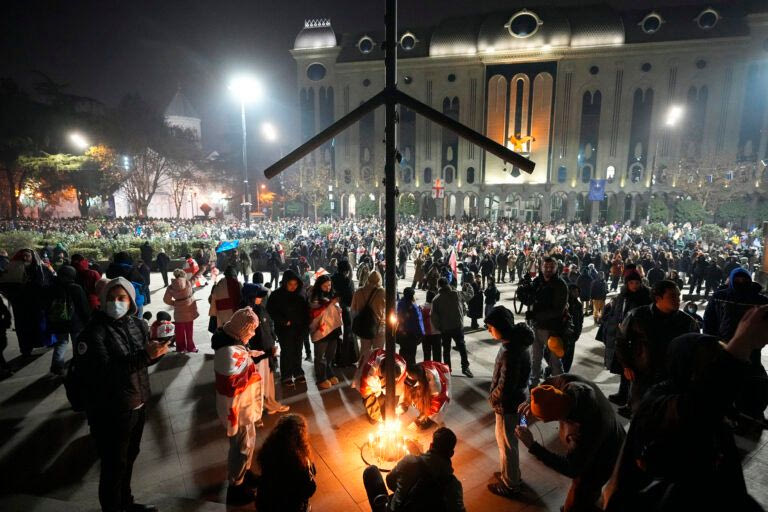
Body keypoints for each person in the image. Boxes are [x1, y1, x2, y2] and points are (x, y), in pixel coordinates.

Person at [604, 307, 768, 512]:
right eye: (709, 364)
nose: (711, 372)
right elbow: (698, 407)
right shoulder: (659, 403)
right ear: (687, 367)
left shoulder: (718, 414)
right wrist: (740, 345)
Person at [75, 277, 169, 512]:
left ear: (130, 301)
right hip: (110, 409)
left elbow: (141, 360)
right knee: (113, 465)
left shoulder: (137, 325)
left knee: (129, 458)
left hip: (137, 402)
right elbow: (102, 373)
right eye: (111, 298)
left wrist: (158, 351)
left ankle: (126, 502)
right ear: (102, 300)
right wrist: (145, 356)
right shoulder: (92, 333)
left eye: (121, 298)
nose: (116, 303)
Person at [516, 375, 625, 512]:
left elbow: (571, 468)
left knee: (581, 494)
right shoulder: (569, 385)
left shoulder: (582, 430)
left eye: (539, 417)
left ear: (554, 418)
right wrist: (531, 400)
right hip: (613, 432)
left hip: (607, 454)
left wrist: (533, 446)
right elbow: (548, 384)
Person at [616, 280, 698, 414]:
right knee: (639, 413)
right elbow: (621, 340)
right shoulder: (637, 315)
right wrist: (626, 366)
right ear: (658, 298)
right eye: (673, 296)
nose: (678, 299)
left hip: (672, 378)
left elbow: (694, 351)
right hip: (643, 374)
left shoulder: (688, 322)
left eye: (678, 295)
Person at [211, 307, 263, 506]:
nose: (253, 333)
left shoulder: (233, 344)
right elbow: (231, 387)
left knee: (248, 443)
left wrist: (248, 354)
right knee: (240, 448)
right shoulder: (227, 353)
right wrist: (248, 364)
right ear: (241, 332)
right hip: (238, 412)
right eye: (251, 330)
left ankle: (246, 473)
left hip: (244, 408)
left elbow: (238, 361)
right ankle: (236, 487)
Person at [704, 267, 768, 423]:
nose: (741, 281)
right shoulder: (720, 296)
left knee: (754, 378)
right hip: (723, 345)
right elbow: (709, 320)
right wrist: (709, 340)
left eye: (744, 278)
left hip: (751, 348)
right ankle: (727, 411)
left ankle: (752, 411)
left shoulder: (759, 299)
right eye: (737, 278)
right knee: (725, 378)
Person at [484, 306, 533, 499]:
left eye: (490, 327)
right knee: (510, 442)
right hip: (519, 402)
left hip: (508, 407)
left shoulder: (510, 351)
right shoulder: (518, 343)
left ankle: (511, 484)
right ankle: (510, 474)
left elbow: (505, 387)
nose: (489, 330)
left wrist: (492, 399)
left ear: (500, 327)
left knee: (507, 444)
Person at [363, 427, 466, 512]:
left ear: (431, 445)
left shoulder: (410, 461)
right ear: (451, 454)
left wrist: (405, 488)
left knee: (371, 472)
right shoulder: (454, 485)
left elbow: (390, 481)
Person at [599, 271, 651, 410]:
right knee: (624, 367)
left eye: (637, 283)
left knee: (634, 371)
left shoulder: (645, 297)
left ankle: (631, 402)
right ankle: (623, 394)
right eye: (631, 283)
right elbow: (618, 313)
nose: (634, 286)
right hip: (624, 335)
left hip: (637, 339)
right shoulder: (623, 296)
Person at [242, 283, 290, 417]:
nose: (261, 298)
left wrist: (273, 342)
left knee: (267, 380)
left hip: (267, 351)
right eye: (258, 296)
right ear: (251, 297)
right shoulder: (247, 313)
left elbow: (268, 327)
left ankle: (269, 403)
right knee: (258, 383)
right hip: (258, 354)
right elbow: (251, 337)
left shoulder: (260, 309)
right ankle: (258, 410)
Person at [255, 414, 317, 512]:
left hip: (264, 503)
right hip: (289, 507)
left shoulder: (267, 449)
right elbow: (309, 489)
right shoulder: (301, 461)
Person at [527, 256, 568, 386]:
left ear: (556, 268)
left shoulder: (560, 285)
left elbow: (558, 310)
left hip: (553, 330)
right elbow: (531, 301)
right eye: (546, 266)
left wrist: (536, 315)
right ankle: (533, 386)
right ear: (541, 267)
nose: (548, 269)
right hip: (535, 327)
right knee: (535, 359)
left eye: (551, 267)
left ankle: (560, 388)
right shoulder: (537, 282)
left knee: (555, 362)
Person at [44, 265, 91, 375]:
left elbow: (47, 306)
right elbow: (83, 307)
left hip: (58, 321)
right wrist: (87, 320)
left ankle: (57, 366)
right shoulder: (76, 288)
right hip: (75, 322)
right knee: (77, 344)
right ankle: (77, 365)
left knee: (61, 343)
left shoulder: (52, 288)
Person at [268, 269, 310, 387]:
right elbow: (271, 310)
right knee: (287, 351)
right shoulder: (276, 295)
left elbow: (306, 311)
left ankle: (297, 372)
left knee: (298, 350)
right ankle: (286, 375)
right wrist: (283, 321)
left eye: (295, 284)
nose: (293, 287)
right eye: (290, 284)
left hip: (299, 328)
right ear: (285, 283)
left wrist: (306, 326)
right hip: (284, 329)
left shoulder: (301, 294)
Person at [431, 278, 473, 378]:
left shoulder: (436, 299)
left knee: (446, 350)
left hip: (445, 329)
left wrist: (439, 327)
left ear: (439, 286)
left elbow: (434, 317)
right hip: (458, 326)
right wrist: (470, 287)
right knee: (462, 347)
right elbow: (469, 296)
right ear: (447, 284)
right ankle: (465, 368)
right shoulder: (456, 294)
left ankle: (447, 370)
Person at [351, 270, 386, 387]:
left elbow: (354, 311)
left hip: (364, 326)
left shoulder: (359, 291)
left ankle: (362, 375)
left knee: (364, 351)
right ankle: (375, 376)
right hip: (379, 327)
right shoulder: (382, 292)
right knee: (378, 352)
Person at [308, 274, 342, 390]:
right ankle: (321, 378)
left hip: (333, 329)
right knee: (320, 355)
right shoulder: (314, 296)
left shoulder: (332, 294)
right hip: (320, 330)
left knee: (330, 354)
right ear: (319, 285)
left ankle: (329, 373)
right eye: (325, 286)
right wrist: (330, 303)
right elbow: (315, 312)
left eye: (329, 285)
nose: (328, 288)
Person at [357, 348, 407, 423]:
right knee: (375, 417)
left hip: (384, 366)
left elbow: (400, 388)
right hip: (371, 364)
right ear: (380, 370)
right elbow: (366, 395)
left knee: (392, 406)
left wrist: (398, 407)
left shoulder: (402, 366)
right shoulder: (369, 374)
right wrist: (377, 415)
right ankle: (375, 413)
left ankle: (387, 409)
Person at [403, 360, 451, 430]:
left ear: (421, 380)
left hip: (442, 381)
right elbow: (407, 387)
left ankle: (439, 424)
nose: (411, 386)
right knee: (417, 397)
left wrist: (420, 419)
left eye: (414, 383)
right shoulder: (414, 371)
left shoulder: (435, 386)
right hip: (428, 370)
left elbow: (437, 404)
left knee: (434, 416)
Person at [163, 268, 199, 353]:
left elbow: (166, 299)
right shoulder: (188, 283)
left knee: (179, 331)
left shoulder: (171, 287)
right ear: (183, 275)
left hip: (179, 313)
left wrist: (175, 303)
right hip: (189, 311)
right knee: (189, 331)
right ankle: (191, 347)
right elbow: (196, 277)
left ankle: (181, 348)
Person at [331, 260, 358, 367]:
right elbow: (351, 299)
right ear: (347, 270)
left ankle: (334, 358)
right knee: (347, 335)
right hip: (345, 310)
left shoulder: (331, 279)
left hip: (333, 310)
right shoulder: (348, 282)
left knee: (335, 335)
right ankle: (345, 359)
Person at [396, 287, 425, 367]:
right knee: (411, 357)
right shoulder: (414, 307)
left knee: (403, 354)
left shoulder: (400, 304)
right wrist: (422, 334)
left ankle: (402, 371)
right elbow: (419, 322)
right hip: (412, 335)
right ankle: (411, 374)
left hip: (402, 333)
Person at [563, 284, 584, 373]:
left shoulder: (578, 305)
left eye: (577, 292)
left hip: (573, 335)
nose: (576, 293)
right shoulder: (564, 303)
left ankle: (565, 372)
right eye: (574, 291)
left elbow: (580, 320)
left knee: (569, 357)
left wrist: (578, 333)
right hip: (563, 333)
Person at [420, 291, 442, 362]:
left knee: (426, 356)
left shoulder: (421, 308)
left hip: (426, 334)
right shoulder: (438, 308)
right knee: (437, 356)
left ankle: (427, 370)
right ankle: (437, 370)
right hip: (437, 334)